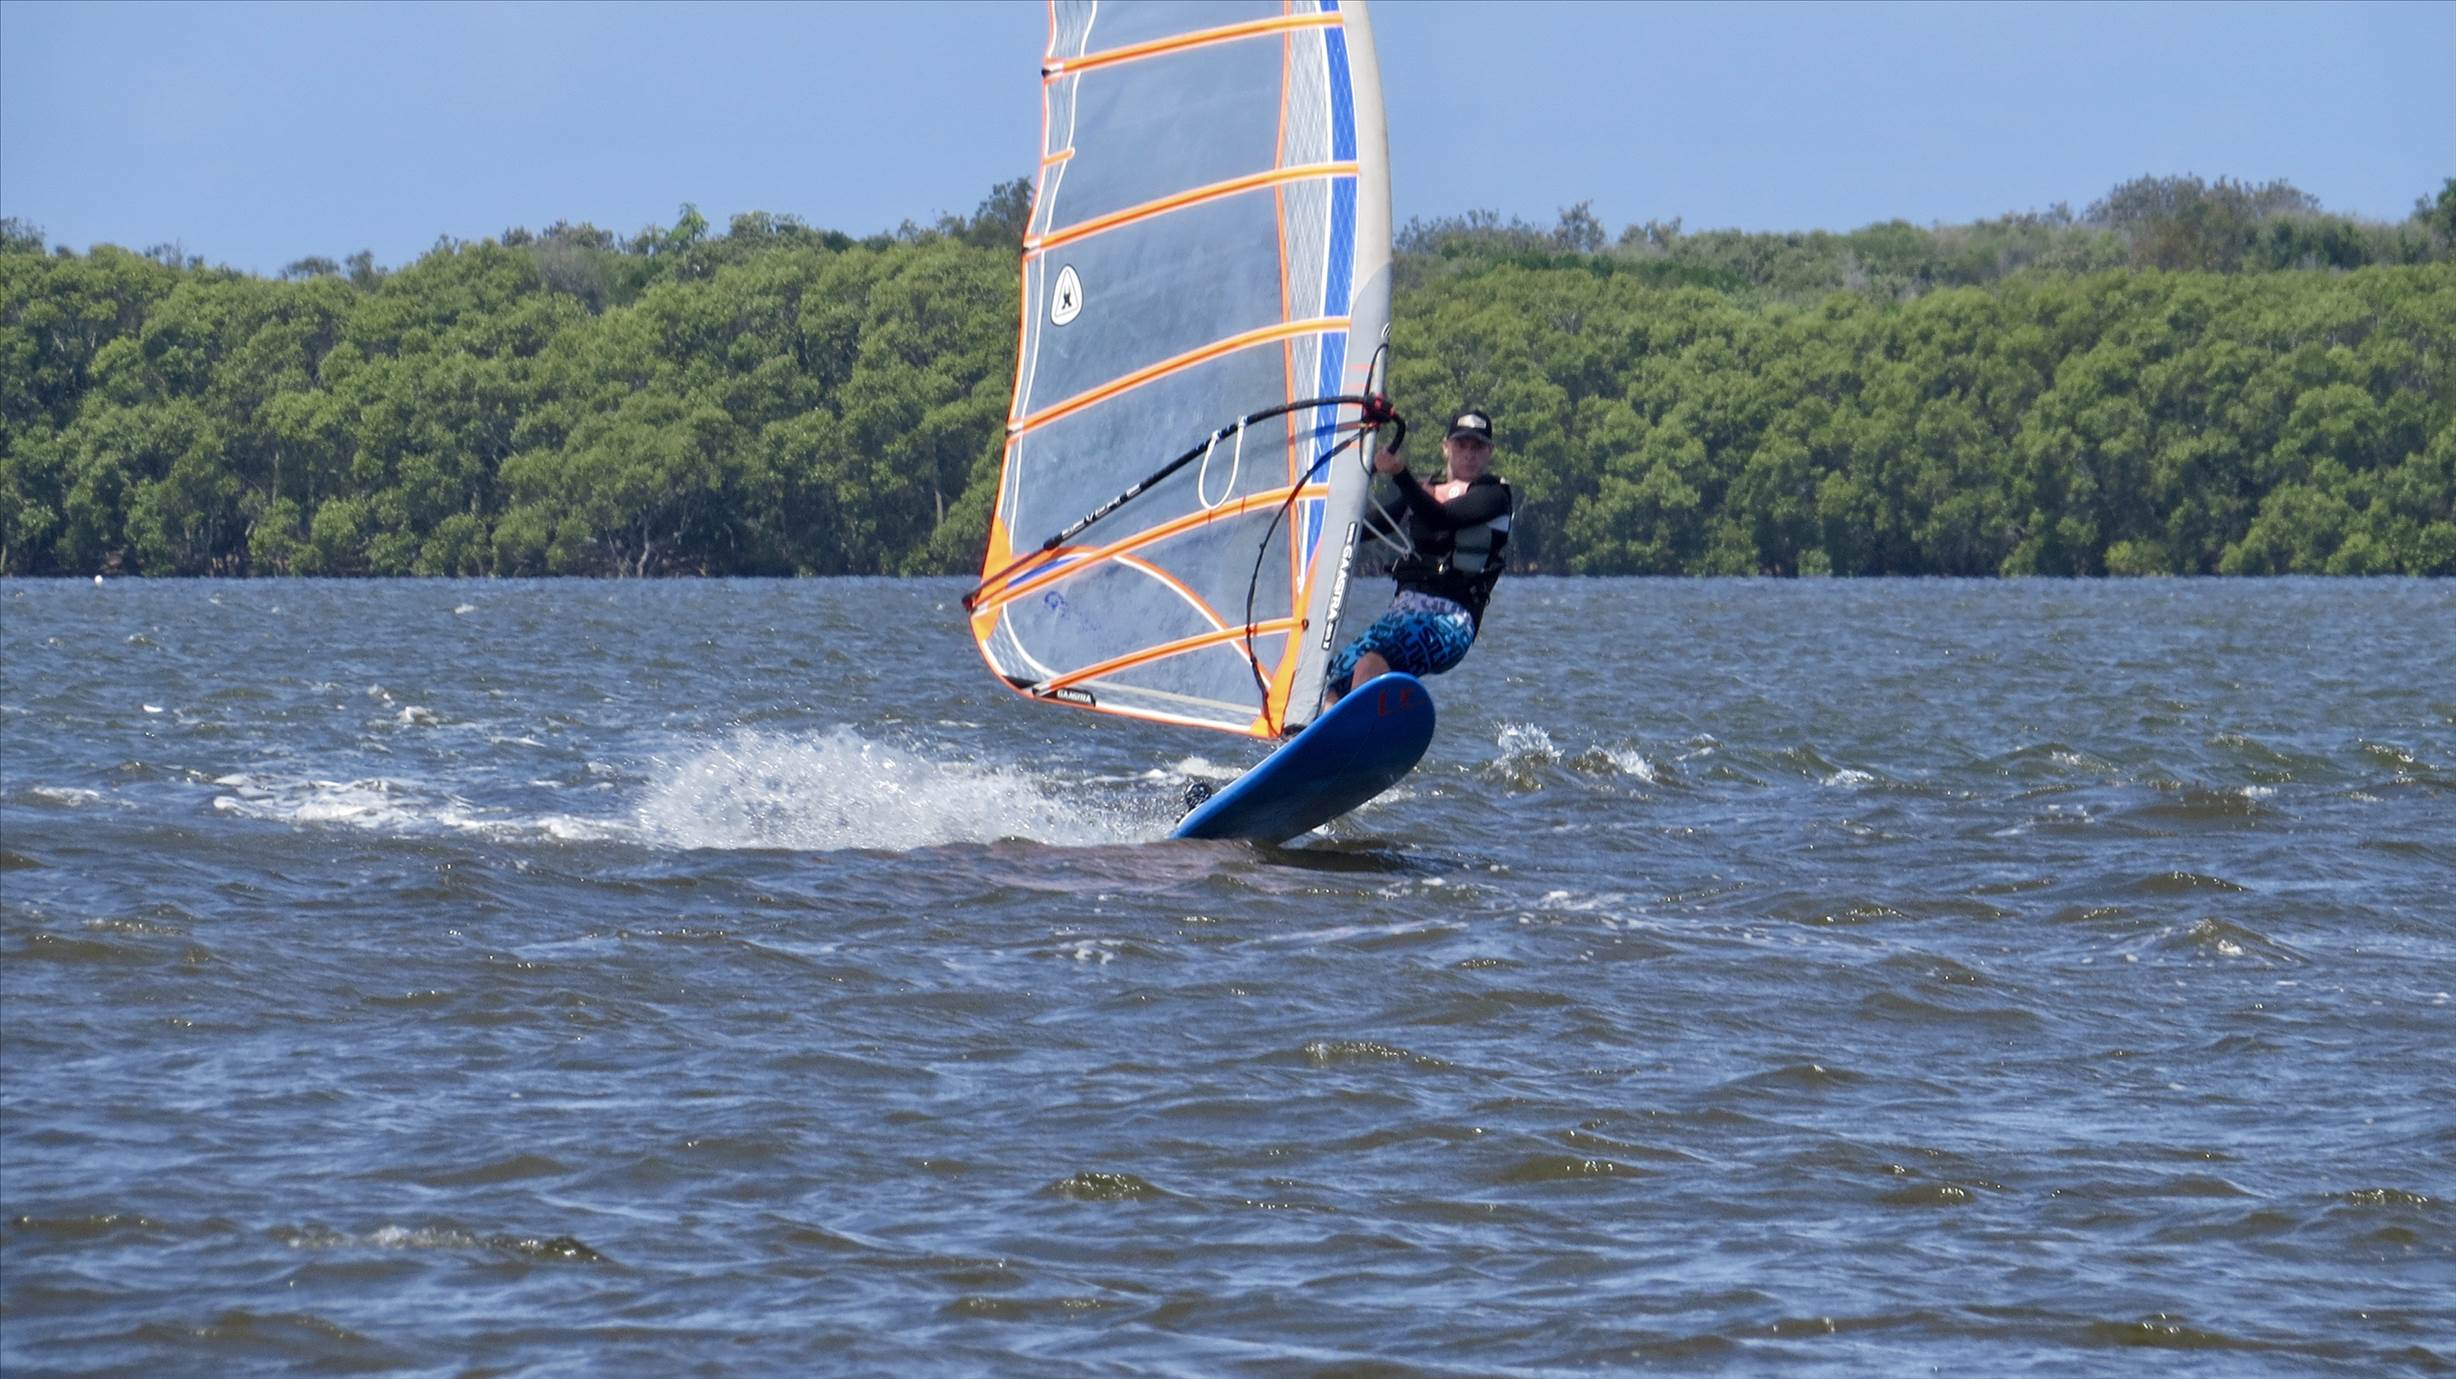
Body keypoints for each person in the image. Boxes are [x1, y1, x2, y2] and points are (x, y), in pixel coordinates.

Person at [1322, 406, 1514, 710]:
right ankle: (1319, 730)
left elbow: (1441, 517)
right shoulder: (1424, 490)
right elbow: (1365, 529)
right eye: (1461, 445)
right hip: (1400, 616)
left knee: (1371, 664)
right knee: (1328, 679)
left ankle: (1358, 728)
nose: (1469, 454)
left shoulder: (1494, 496)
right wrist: (1316, 519)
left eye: (1477, 447)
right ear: (1446, 447)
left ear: (1489, 451)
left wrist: (1400, 474)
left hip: (1451, 620)